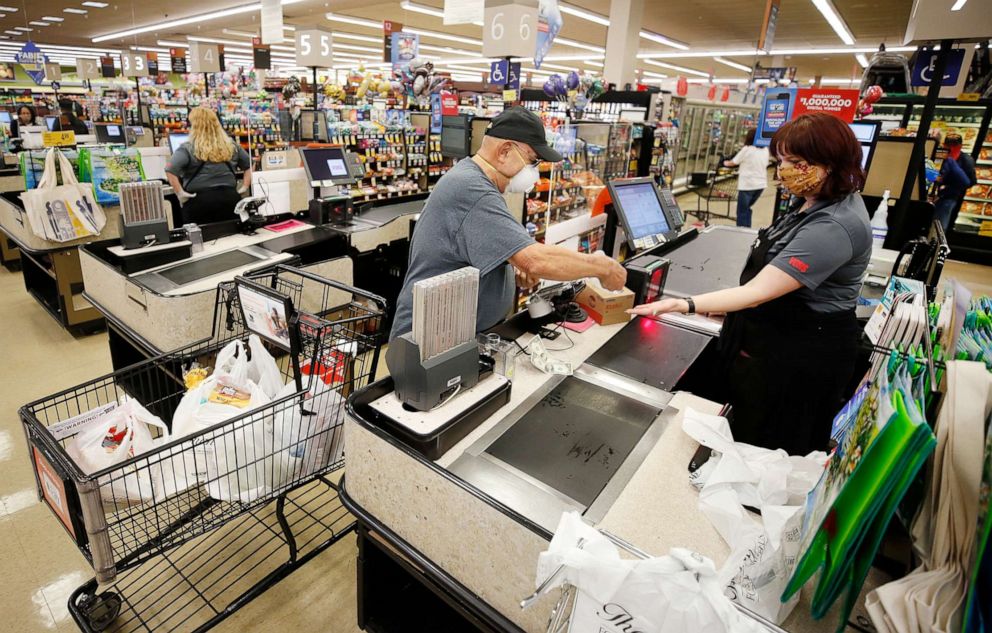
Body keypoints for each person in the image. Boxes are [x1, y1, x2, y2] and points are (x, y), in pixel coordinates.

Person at [629, 113, 871, 456]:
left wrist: (684, 304)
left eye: (797, 162)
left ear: (831, 163)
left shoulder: (835, 224)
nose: (784, 169)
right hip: (774, 338)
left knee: (766, 448)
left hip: (798, 356)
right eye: (782, 160)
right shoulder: (814, 200)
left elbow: (758, 292)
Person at [389, 106, 626, 341]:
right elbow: (535, 260)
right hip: (430, 339)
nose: (534, 171)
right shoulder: (472, 189)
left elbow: (470, 253)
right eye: (532, 161)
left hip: (457, 333)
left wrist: (510, 268)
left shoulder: (476, 181)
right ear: (504, 152)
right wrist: (601, 266)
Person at [165, 106, 252, 225]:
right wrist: (245, 187)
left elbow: (170, 169)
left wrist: (180, 192)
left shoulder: (188, 148)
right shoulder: (231, 145)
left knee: (201, 239)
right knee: (232, 237)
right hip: (230, 199)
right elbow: (249, 165)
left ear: (195, 126)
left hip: (199, 203)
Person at [722, 128, 769, 228]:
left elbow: (733, 162)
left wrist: (724, 162)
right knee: (747, 208)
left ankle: (742, 231)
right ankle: (748, 229)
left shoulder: (747, 149)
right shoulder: (765, 150)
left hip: (748, 185)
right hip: (761, 185)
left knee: (742, 211)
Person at [933, 132, 977, 231]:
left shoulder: (966, 160)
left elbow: (970, 182)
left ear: (960, 146)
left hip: (949, 197)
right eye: (949, 145)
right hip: (934, 194)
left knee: (939, 225)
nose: (951, 148)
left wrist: (948, 189)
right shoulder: (941, 155)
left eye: (954, 145)